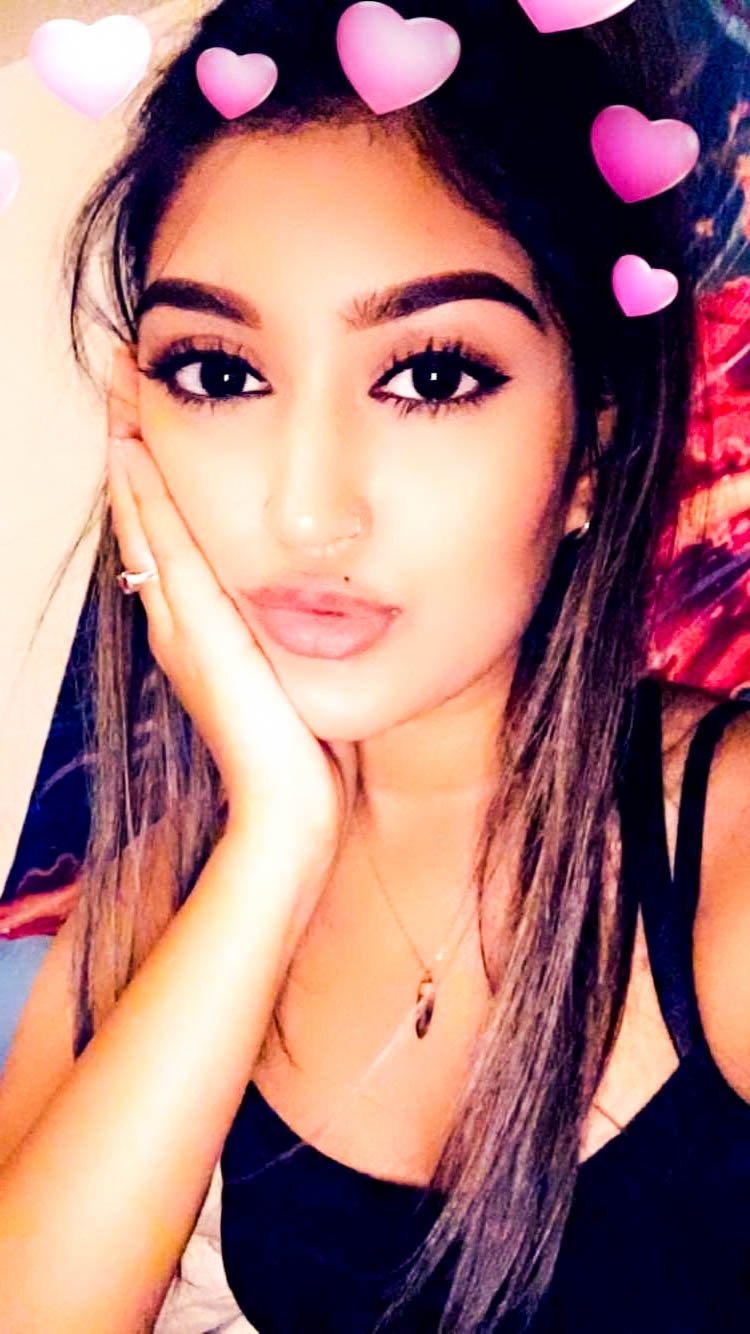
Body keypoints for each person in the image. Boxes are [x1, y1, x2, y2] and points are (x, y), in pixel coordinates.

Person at [1, 1, 749, 1330]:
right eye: (218, 373)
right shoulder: (164, 893)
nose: (306, 514)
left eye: (433, 376)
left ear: (588, 450)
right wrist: (277, 838)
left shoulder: (727, 857)